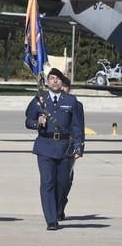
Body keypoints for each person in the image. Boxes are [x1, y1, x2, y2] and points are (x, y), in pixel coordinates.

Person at [25, 68, 84, 231]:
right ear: (47, 82)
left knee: (62, 183)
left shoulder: (71, 101)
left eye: (58, 78)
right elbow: (28, 121)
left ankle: (58, 208)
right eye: (51, 78)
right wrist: (38, 122)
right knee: (47, 183)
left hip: (65, 148)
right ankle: (51, 220)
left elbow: (77, 126)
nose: (55, 81)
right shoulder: (39, 100)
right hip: (45, 146)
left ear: (61, 81)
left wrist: (79, 145)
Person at [58, 76, 84, 220]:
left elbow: (79, 127)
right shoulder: (51, 102)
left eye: (66, 86)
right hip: (54, 145)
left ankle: (62, 202)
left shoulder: (77, 105)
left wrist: (79, 147)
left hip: (69, 146)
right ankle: (55, 207)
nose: (63, 89)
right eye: (62, 86)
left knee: (66, 179)